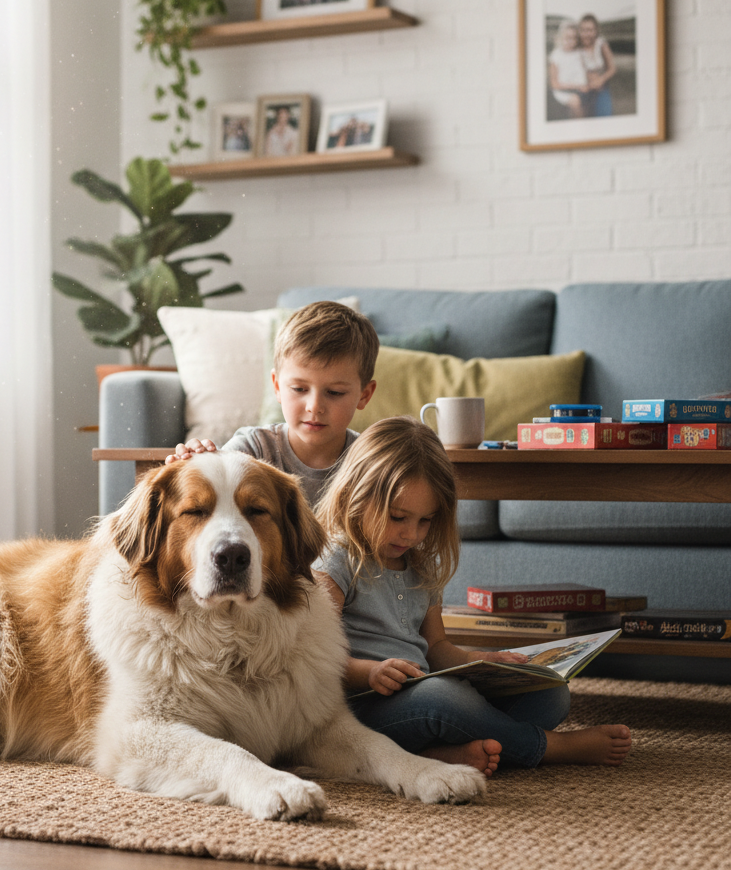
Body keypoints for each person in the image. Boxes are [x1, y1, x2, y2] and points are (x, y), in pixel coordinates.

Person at [312, 416, 633, 776]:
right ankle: (548, 748)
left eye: (425, 521)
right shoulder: (337, 561)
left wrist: (481, 660)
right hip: (360, 709)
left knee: (550, 693)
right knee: (445, 699)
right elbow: (311, 659)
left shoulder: (418, 565)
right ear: (357, 494)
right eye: (398, 517)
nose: (410, 534)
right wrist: (369, 672)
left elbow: (436, 648)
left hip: (418, 695)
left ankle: (441, 751)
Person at [166, 300, 379, 506]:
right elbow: (209, 489)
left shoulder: (373, 459)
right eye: (299, 389)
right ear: (277, 387)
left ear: (364, 395)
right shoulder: (253, 449)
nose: (314, 406)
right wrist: (191, 466)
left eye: (334, 392)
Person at [548, 20, 589, 118]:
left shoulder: (580, 53)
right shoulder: (556, 56)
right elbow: (555, 84)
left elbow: (586, 72)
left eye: (573, 38)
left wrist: (587, 84)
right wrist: (577, 87)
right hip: (564, 91)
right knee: (575, 101)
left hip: (581, 89)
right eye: (567, 37)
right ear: (560, 37)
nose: (570, 41)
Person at [578, 13, 617, 117]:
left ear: (596, 31)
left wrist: (601, 79)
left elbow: (612, 68)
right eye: (583, 30)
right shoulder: (576, 46)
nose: (586, 34)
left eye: (590, 30)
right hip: (582, 88)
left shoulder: (601, 44)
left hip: (601, 87)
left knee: (604, 116)